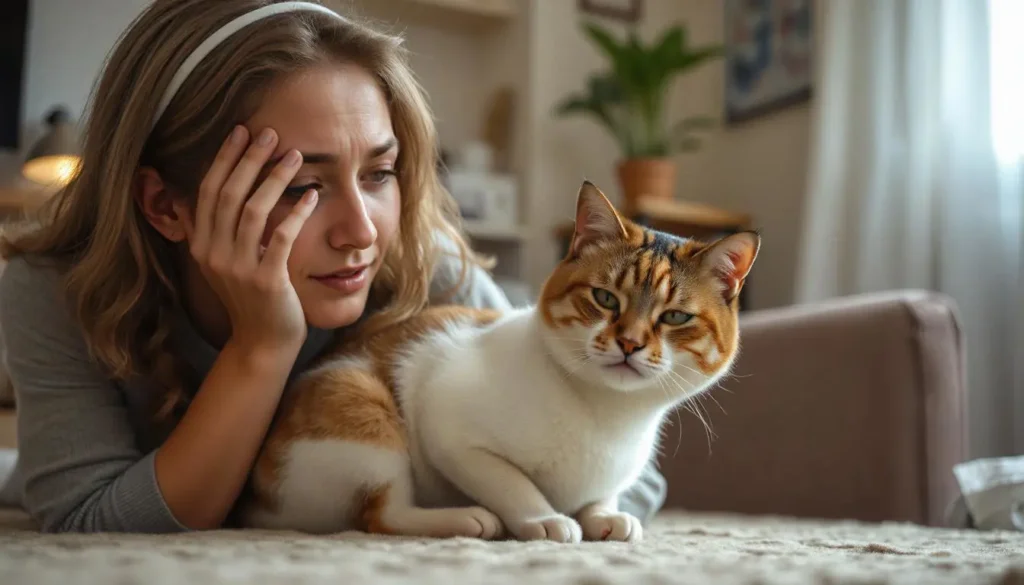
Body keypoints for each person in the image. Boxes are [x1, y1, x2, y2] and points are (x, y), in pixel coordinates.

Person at [0, 0, 666, 534]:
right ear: (165, 204)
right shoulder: (51, 288)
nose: (359, 231)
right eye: (299, 187)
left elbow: (631, 474)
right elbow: (85, 519)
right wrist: (262, 347)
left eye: (380, 172)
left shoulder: (415, 258)